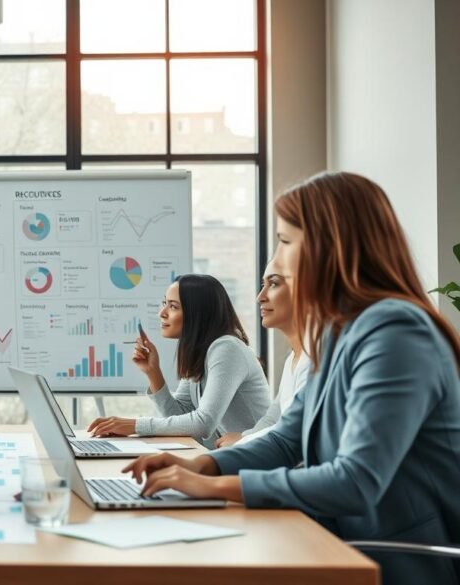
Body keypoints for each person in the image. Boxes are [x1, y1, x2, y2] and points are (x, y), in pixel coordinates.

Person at [125, 172, 460, 585]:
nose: (278, 258)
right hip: (337, 540)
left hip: (394, 560)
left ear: (326, 246)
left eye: (285, 241)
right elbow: (286, 438)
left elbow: (355, 480)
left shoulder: (395, 333)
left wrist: (212, 487)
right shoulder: (340, 332)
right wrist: (203, 464)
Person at [87, 274, 270, 447]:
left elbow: (202, 424)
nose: (162, 313)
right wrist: (153, 373)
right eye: (164, 303)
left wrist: (135, 425)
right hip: (233, 457)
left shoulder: (227, 348)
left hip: (258, 463)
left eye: (173, 306)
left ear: (197, 313)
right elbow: (180, 415)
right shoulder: (201, 351)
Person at [216, 263, 311, 448]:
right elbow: (273, 417)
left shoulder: (315, 362)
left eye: (273, 284)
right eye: (263, 286)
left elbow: (292, 432)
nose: (260, 297)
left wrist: (243, 441)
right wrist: (245, 437)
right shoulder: (292, 358)